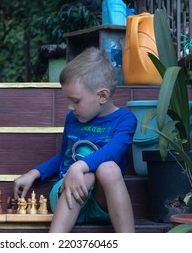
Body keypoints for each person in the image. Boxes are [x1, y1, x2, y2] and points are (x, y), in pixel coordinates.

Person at [13, 47, 137, 232]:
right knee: (86, 175)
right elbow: (64, 156)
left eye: (76, 101)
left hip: (102, 203)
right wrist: (34, 173)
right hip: (66, 196)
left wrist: (79, 166)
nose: (70, 107)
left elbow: (115, 151)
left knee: (108, 168)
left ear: (102, 96)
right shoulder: (74, 118)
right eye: (68, 100)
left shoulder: (125, 120)